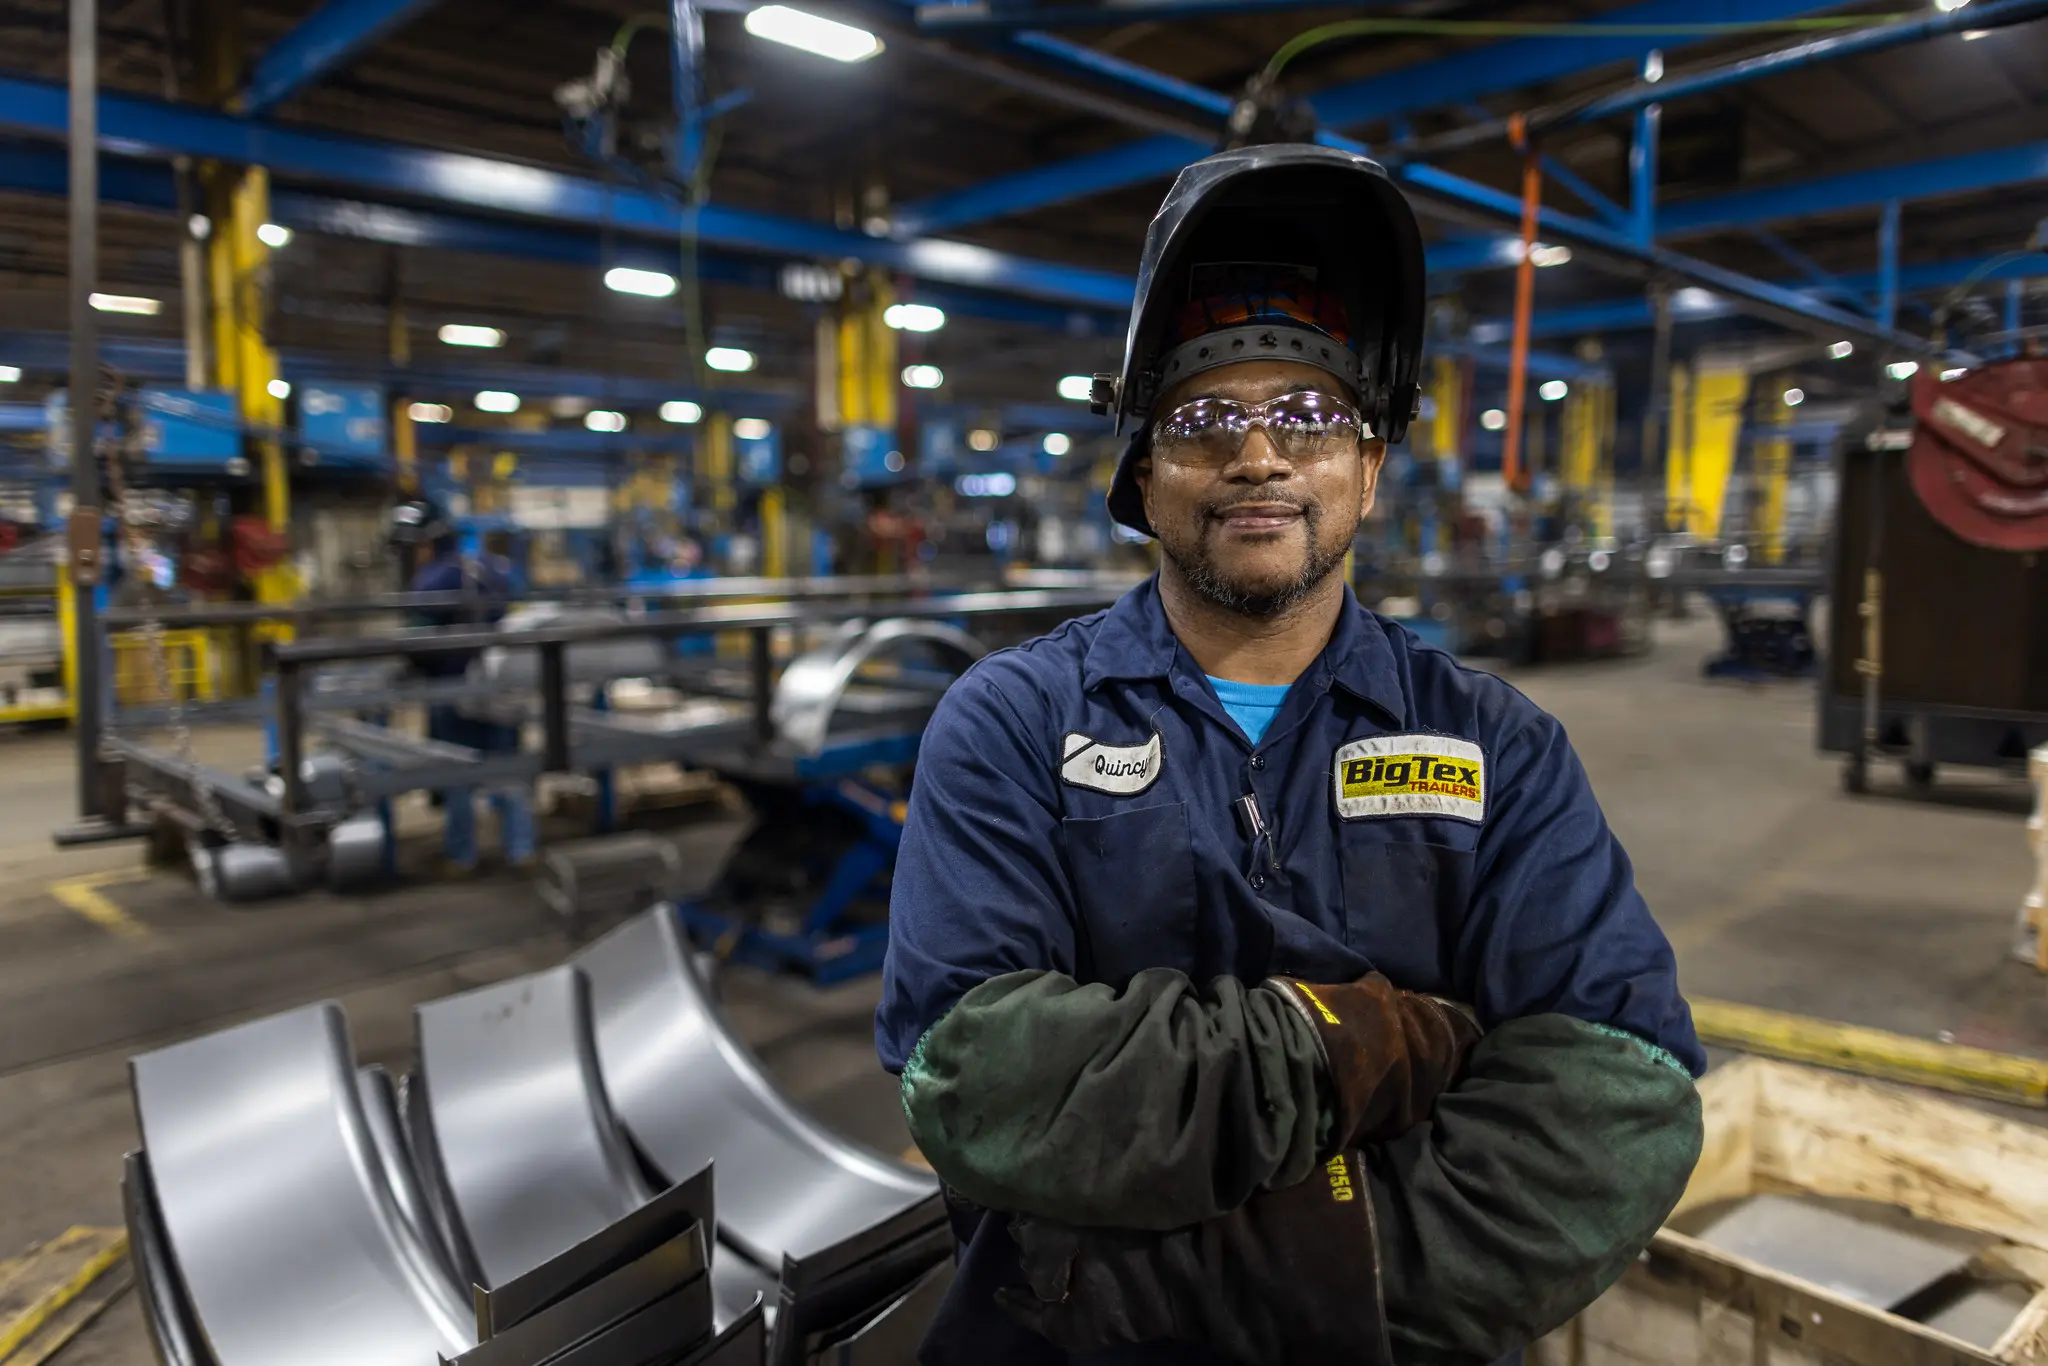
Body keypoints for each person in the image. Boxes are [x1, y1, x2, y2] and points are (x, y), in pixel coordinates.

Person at [875, 145, 1705, 1366]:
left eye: (1308, 417)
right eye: (1205, 419)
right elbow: (973, 1075)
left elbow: (1622, 1094)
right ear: (1143, 472)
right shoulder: (1010, 720)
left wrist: (1280, 1282)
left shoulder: (1497, 745)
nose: (1256, 455)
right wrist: (1332, 1045)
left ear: (1368, 470)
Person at [388, 497, 535, 868]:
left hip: (451, 693)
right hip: (499, 689)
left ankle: (462, 856)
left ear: (426, 543)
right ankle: (520, 849)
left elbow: (418, 644)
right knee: (509, 773)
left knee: (456, 778)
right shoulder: (495, 569)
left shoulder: (430, 581)